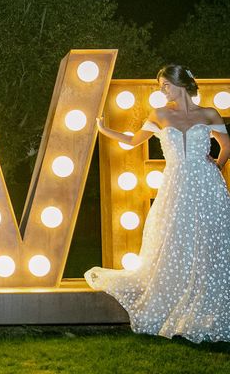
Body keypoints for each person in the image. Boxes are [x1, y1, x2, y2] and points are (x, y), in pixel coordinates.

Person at [85, 64, 230, 343]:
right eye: (160, 85)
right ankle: (176, 298)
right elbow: (132, 141)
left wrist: (219, 164)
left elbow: (226, 145)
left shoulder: (209, 113)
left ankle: (207, 301)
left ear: (181, 83)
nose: (162, 91)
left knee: (210, 242)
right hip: (176, 185)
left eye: (165, 85)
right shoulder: (160, 114)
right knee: (175, 241)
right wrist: (104, 129)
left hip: (208, 185)